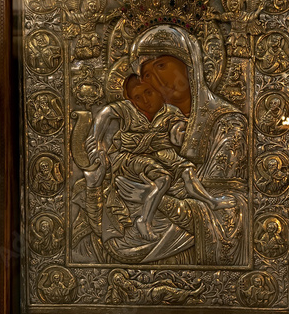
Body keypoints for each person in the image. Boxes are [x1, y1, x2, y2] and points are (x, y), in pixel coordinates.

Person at [86, 73, 236, 241]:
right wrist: (96, 142)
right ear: (131, 100)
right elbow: (105, 113)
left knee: (188, 171)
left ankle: (211, 201)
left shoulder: (169, 111)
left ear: (158, 91)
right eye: (137, 97)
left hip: (164, 153)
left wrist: (179, 132)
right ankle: (144, 220)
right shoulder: (127, 111)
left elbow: (178, 130)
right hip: (130, 157)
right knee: (163, 179)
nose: (145, 100)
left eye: (148, 92)